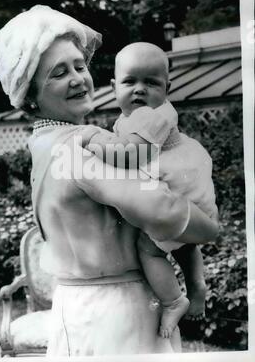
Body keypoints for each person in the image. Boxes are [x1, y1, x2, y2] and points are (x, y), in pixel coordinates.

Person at [0, 5, 218, 356]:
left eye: (80, 66)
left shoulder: (44, 145)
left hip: (78, 303)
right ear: (31, 97)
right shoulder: (77, 147)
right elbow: (156, 207)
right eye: (58, 73)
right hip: (115, 311)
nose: (78, 78)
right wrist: (207, 227)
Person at [82, 42, 219, 338]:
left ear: (167, 88)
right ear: (114, 86)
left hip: (175, 182)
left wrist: (95, 143)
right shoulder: (134, 118)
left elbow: (130, 154)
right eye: (130, 81)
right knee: (183, 243)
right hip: (184, 188)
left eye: (151, 83)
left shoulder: (153, 116)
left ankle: (173, 301)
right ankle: (196, 284)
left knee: (150, 250)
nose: (140, 89)